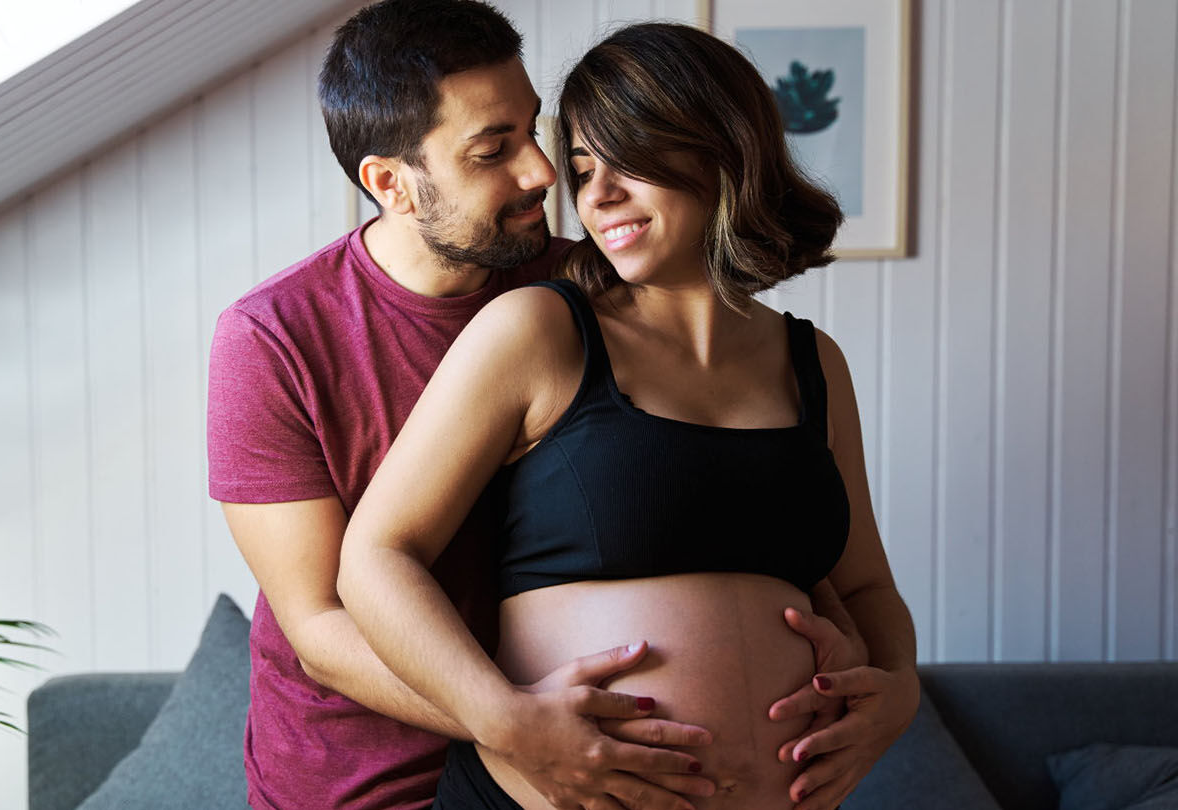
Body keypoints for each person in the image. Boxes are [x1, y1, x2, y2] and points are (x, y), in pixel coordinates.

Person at [337, 21, 921, 810]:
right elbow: (375, 558)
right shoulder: (539, 332)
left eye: (630, 160)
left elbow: (868, 585)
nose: (598, 195)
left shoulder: (814, 363)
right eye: (583, 168)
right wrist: (503, 719)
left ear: (723, 149)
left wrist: (900, 691)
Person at [209, 3, 730, 808]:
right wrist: (514, 722)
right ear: (390, 184)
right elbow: (319, 626)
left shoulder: (590, 288)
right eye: (493, 151)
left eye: (533, 131)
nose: (542, 172)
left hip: (560, 771)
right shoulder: (271, 339)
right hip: (362, 785)